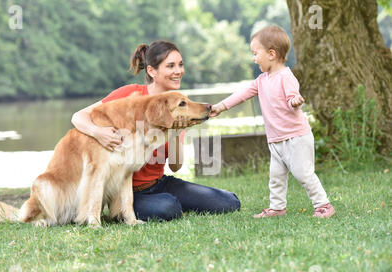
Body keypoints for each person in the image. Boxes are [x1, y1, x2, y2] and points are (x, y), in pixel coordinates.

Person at [71, 40, 240, 221]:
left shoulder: (179, 104)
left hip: (159, 183)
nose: (178, 71)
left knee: (229, 202)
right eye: (170, 66)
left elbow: (175, 166)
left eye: (180, 65)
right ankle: (123, 210)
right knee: (168, 207)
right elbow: (78, 116)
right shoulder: (130, 95)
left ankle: (168, 203)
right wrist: (99, 133)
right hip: (126, 189)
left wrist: (176, 131)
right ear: (152, 71)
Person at [210, 26, 335, 219]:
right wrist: (221, 106)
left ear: (271, 54)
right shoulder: (261, 80)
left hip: (296, 137)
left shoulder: (286, 76)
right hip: (276, 140)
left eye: (255, 53)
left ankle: (323, 205)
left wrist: (294, 102)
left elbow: (293, 97)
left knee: (303, 173)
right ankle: (277, 208)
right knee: (276, 177)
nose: (254, 58)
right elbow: (242, 94)